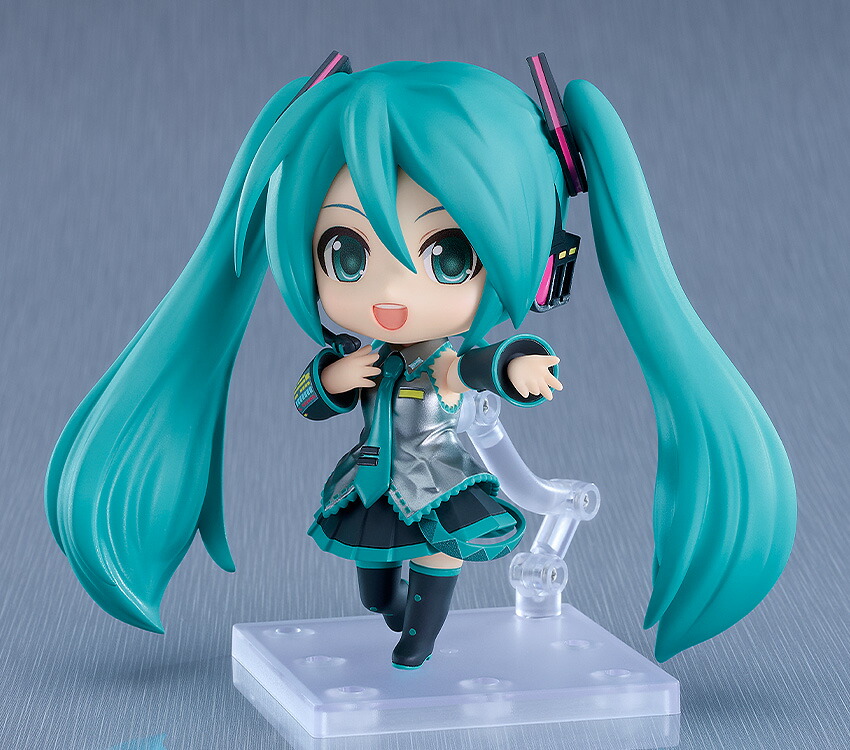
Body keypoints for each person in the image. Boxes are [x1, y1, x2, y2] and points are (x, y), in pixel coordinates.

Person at [46, 56, 796, 669]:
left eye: (447, 257)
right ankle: (396, 612)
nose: (392, 295)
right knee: (374, 587)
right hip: (372, 477)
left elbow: (483, 367)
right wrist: (334, 378)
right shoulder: (360, 352)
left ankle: (423, 637)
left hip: (441, 474)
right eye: (348, 255)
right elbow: (309, 400)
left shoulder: (444, 360)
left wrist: (519, 369)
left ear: (531, 263)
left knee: (439, 551)